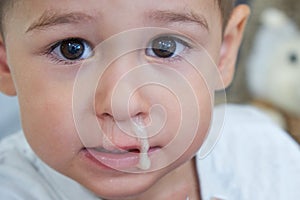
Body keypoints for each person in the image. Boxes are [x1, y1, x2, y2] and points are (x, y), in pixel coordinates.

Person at [0, 0, 299, 200]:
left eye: (164, 47)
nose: (122, 105)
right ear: (5, 64)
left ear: (223, 53)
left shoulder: (264, 153)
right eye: (71, 49)